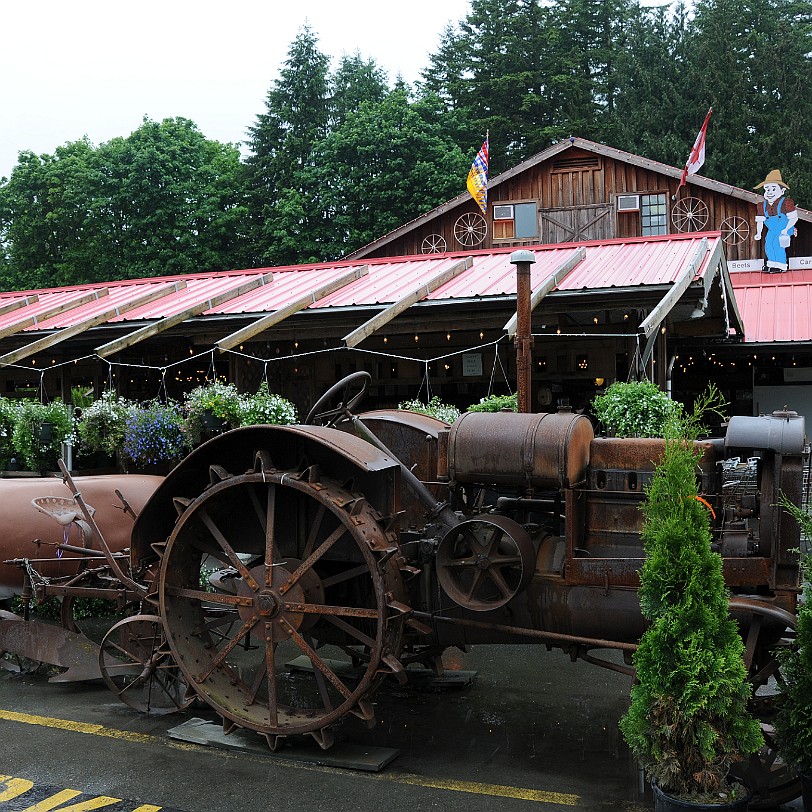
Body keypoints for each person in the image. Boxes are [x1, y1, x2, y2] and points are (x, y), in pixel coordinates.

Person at [753, 169, 798, 272]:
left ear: (782, 191)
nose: (770, 192)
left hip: (784, 229)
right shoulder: (762, 206)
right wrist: (759, 233)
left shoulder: (786, 203)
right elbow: (760, 221)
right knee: (768, 244)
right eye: (767, 189)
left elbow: (793, 218)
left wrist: (786, 230)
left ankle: (781, 265)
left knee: (778, 245)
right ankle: (771, 263)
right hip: (772, 230)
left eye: (773, 189)